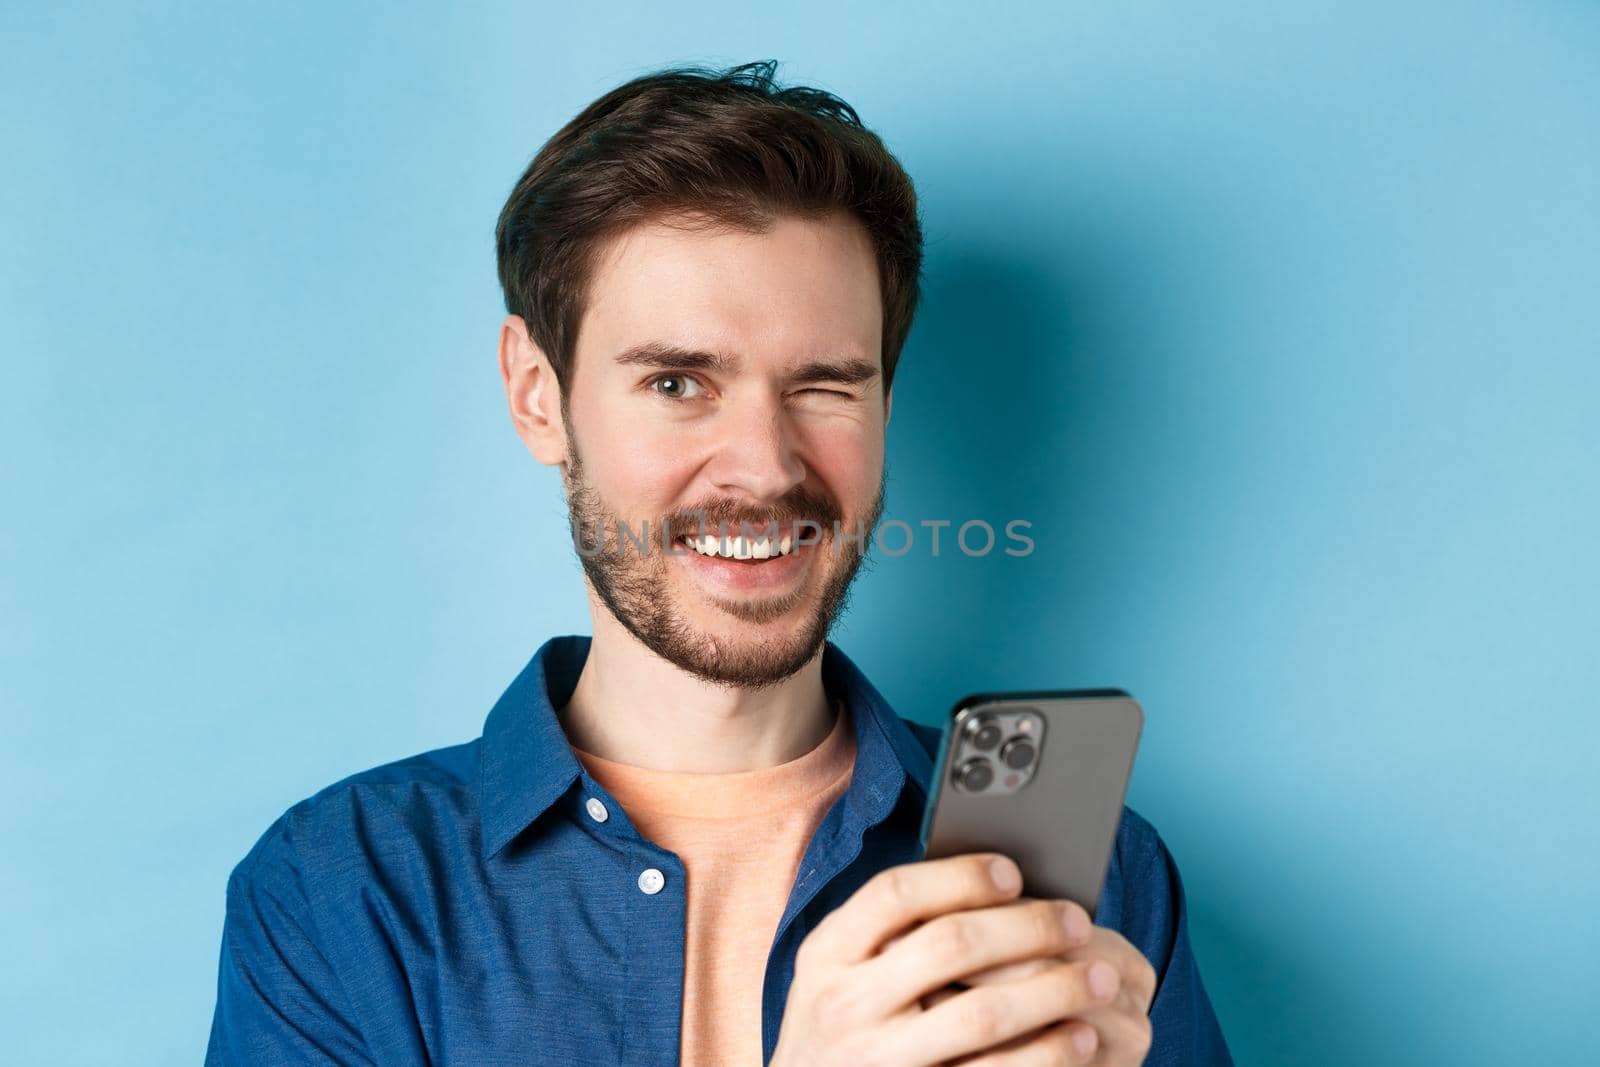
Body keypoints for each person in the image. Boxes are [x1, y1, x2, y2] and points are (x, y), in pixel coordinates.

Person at [204, 60, 1231, 1066]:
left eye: (826, 385)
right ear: (536, 394)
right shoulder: (338, 891)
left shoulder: (1096, 877)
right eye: (677, 382)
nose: (764, 466)